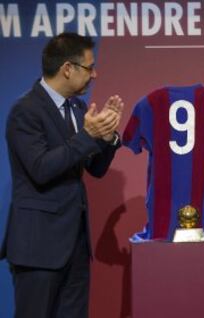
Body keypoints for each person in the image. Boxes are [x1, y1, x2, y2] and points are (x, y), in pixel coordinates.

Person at [0, 32, 124, 318]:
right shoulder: (26, 111)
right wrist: (87, 135)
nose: (95, 74)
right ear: (67, 68)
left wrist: (106, 137)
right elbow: (41, 169)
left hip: (76, 247)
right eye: (89, 67)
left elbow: (96, 169)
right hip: (39, 249)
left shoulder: (79, 109)